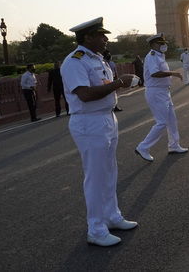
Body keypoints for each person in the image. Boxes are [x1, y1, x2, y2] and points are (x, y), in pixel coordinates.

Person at [61, 17, 138, 247]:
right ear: (87, 37)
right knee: (95, 176)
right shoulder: (75, 61)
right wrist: (118, 84)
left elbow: (101, 87)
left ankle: (111, 216)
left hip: (106, 118)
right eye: (101, 35)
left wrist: (116, 85)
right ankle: (95, 229)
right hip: (88, 122)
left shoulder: (97, 59)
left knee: (109, 171)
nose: (106, 39)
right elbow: (84, 94)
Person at [135, 33, 188, 162]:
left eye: (164, 43)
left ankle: (174, 145)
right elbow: (155, 73)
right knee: (162, 122)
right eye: (161, 43)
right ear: (153, 44)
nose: (164, 46)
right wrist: (173, 73)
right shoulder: (152, 56)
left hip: (164, 92)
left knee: (171, 120)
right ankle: (143, 147)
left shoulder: (160, 56)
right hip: (155, 92)